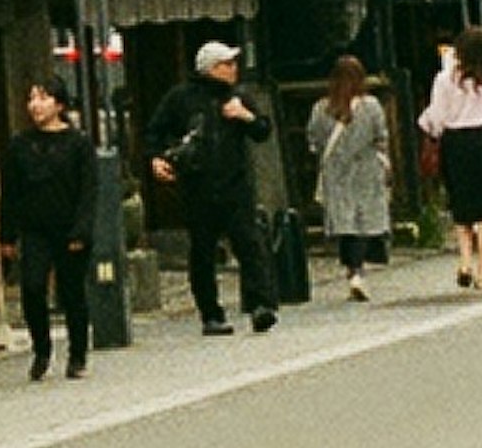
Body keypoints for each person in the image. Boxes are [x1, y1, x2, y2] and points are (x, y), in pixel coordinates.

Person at [151, 37, 279, 333]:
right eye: (227, 64)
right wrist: (157, 158)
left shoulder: (237, 96)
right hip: (197, 185)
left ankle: (260, 305)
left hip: (236, 183)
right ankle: (210, 312)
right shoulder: (181, 98)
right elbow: (155, 132)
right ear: (210, 68)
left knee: (250, 244)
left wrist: (245, 115)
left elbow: (263, 131)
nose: (234, 68)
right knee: (202, 252)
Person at [0, 78, 95, 380]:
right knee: (32, 287)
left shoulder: (78, 143)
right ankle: (41, 348)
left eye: (43, 97)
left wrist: (81, 230)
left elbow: (88, 191)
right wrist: (7, 234)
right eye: (31, 98)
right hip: (35, 228)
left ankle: (78, 354)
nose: (35, 105)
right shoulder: (20, 145)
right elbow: (10, 192)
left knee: (72, 292)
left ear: (60, 104)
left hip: (69, 228)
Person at [420, 34, 482, 292]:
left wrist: (429, 127)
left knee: (463, 208)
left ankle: (464, 262)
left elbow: (436, 116)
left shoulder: (445, 80)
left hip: (457, 143)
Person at [310, 56, 392, 297]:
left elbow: (313, 140)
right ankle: (359, 272)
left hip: (336, 172)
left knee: (346, 224)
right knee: (364, 221)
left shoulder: (321, 108)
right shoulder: (371, 106)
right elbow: (381, 136)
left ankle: (352, 270)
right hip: (366, 169)